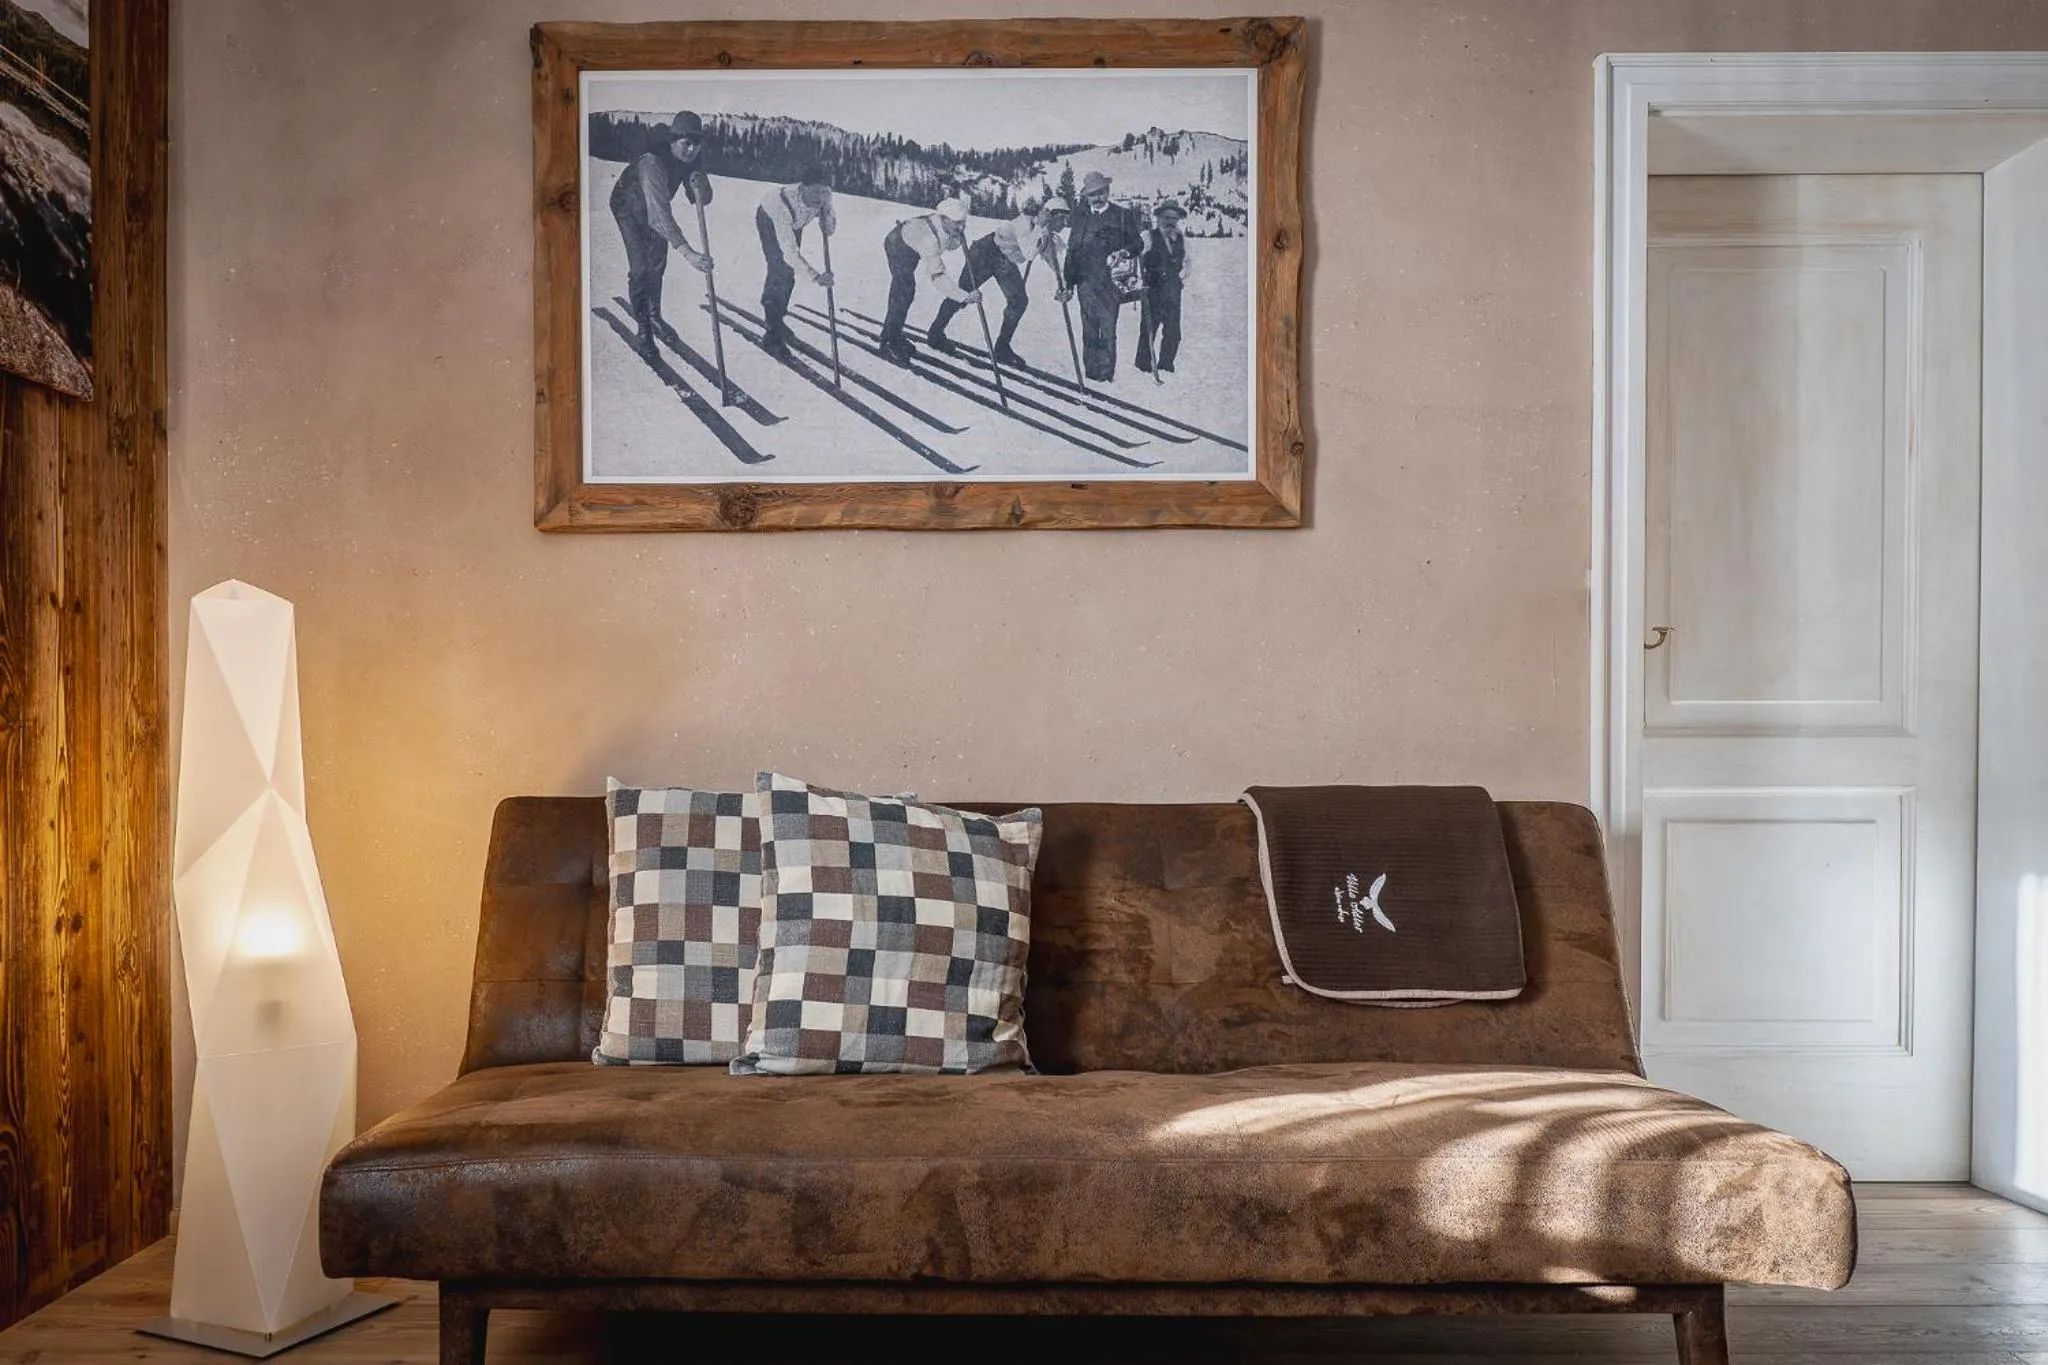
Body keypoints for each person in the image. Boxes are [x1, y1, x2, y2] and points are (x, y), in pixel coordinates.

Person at [608, 110, 714, 347]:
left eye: (697, 144)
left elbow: (701, 199)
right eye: (687, 144)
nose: (692, 150)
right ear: (674, 140)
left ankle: (655, 316)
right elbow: (658, 216)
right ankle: (643, 326)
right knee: (641, 268)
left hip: (656, 207)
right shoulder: (652, 163)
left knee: (658, 263)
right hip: (628, 206)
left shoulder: (691, 157)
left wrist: (700, 184)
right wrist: (688, 253)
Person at [928, 196, 1068, 366]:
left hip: (1004, 260)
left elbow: (1052, 260)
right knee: (962, 295)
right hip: (984, 253)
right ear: (1050, 215)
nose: (1065, 223)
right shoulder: (1024, 223)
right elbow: (1029, 253)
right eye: (1062, 218)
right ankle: (935, 333)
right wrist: (1039, 227)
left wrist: (1063, 283)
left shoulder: (1044, 233)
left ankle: (1002, 347)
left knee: (1018, 301)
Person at [1060, 170, 1145, 382]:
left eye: (1101, 193)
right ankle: (1091, 377)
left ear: (1108, 192)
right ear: (1086, 197)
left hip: (1110, 282)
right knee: (1089, 330)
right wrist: (1068, 284)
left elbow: (1137, 243)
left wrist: (1123, 252)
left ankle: (1106, 377)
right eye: (1092, 195)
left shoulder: (1122, 215)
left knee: (1107, 329)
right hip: (1085, 283)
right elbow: (1072, 252)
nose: (1097, 198)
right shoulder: (1081, 218)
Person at [877, 198, 974, 365]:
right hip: (898, 244)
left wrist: (956, 237)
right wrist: (963, 296)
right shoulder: (929, 239)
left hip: (912, 244)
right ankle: (888, 342)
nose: (962, 228)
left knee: (905, 291)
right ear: (944, 219)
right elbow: (937, 277)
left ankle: (894, 334)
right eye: (957, 223)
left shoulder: (944, 226)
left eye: (963, 223)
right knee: (904, 291)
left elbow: (948, 243)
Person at [754, 167, 836, 358]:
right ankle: (772, 336)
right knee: (780, 271)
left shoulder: (825, 195)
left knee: (788, 275)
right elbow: (789, 253)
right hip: (770, 220)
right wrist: (816, 277)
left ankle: (777, 319)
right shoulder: (781, 204)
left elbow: (830, 227)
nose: (820, 197)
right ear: (802, 188)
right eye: (815, 192)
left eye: (823, 191)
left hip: (796, 223)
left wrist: (826, 222)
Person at [1135, 200, 1189, 375]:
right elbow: (1137, 259)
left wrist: (1179, 278)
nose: (1170, 222)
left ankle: (1166, 365)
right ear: (1158, 218)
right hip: (1153, 290)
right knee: (1149, 329)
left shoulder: (1181, 239)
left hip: (1173, 292)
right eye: (1166, 217)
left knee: (1173, 332)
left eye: (1174, 218)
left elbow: (1187, 263)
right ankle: (1143, 367)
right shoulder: (1148, 236)